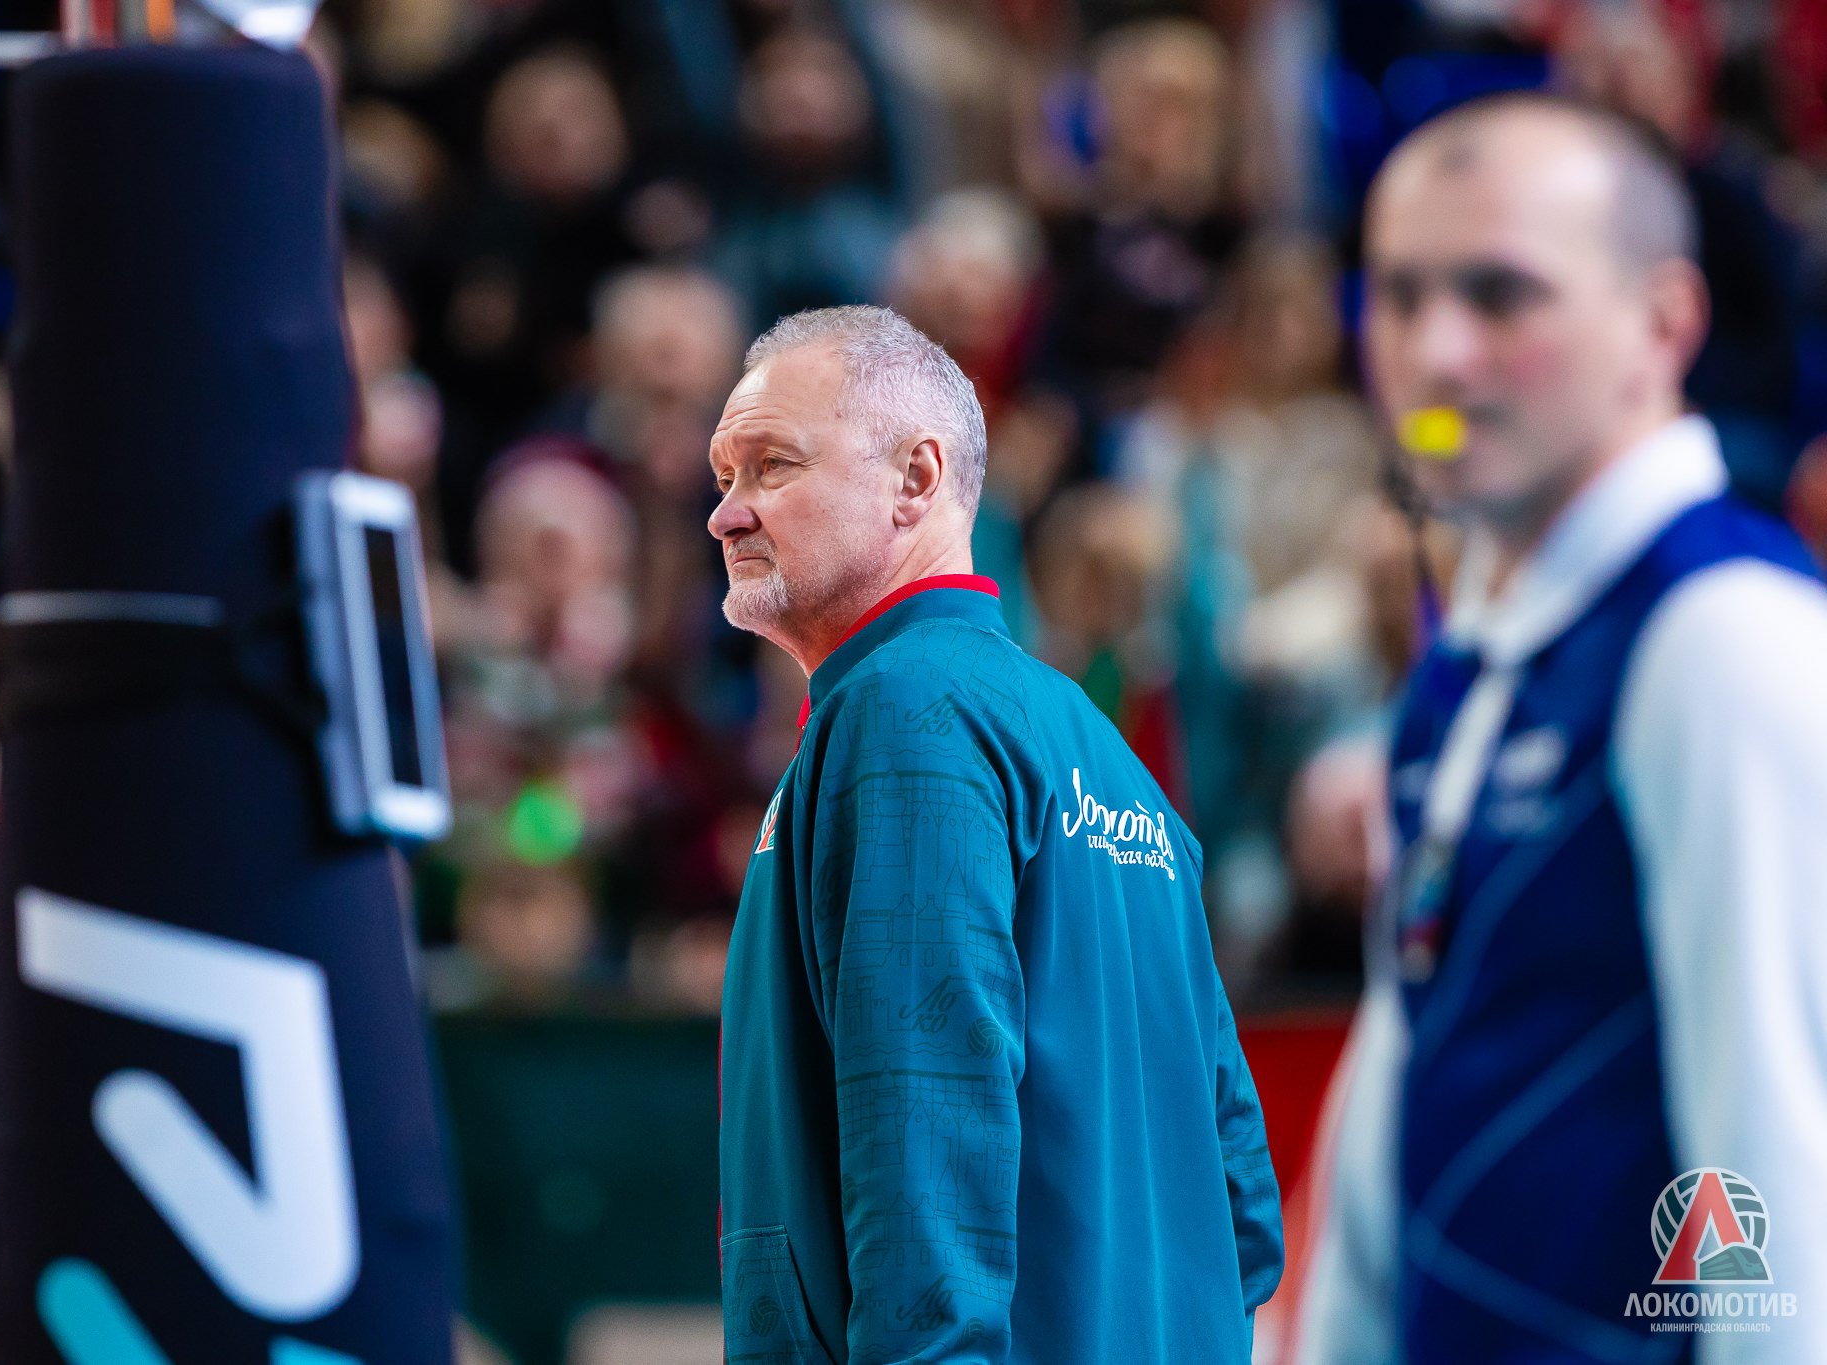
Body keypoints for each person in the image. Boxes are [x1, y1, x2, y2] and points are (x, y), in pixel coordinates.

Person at [1297, 94, 1827, 1362]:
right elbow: (1399, 1094)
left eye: (1499, 295)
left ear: (1662, 323)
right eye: (1397, 294)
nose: (1436, 356)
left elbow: (1784, 1158)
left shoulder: (1718, 641)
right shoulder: (1473, 657)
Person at [708, 305, 1282, 1362]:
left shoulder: (903, 710)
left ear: (915, 477)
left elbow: (923, 1123)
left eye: (771, 465)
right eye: (723, 476)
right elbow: (1243, 1205)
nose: (725, 514)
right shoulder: (1107, 757)